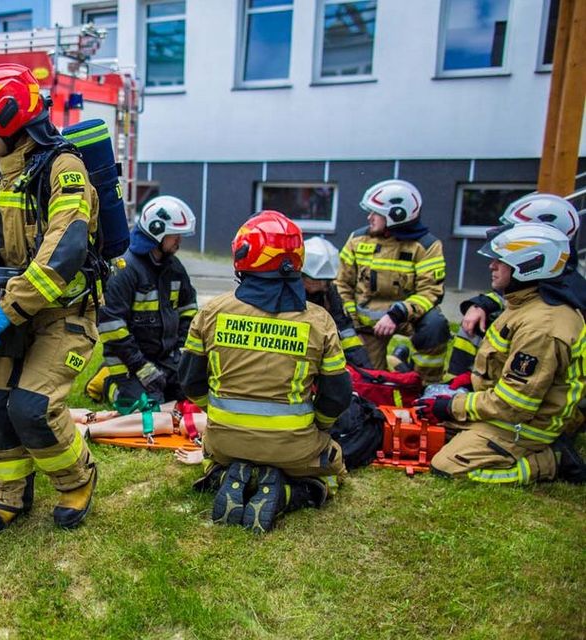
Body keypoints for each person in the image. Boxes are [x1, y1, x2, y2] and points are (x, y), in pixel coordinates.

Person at [0, 63, 100, 532]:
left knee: (31, 408)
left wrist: (9, 307)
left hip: (62, 318)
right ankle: (10, 496)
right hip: (10, 313)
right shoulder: (0, 174)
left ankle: (78, 480)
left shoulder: (63, 168)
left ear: (11, 124)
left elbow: (67, 247)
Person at [179, 211, 352, 533]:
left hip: (224, 441)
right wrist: (319, 428)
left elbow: (189, 380)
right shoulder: (320, 320)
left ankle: (221, 474)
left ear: (243, 255)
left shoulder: (212, 312)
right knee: (332, 469)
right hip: (294, 447)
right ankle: (289, 492)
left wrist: (214, 412)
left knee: (215, 453)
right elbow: (337, 396)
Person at [420, 223, 586, 485]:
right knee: (428, 429)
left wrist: (453, 406)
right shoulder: (524, 302)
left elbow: (515, 405)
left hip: (528, 427)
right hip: (505, 412)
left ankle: (551, 461)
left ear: (527, 265)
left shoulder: (542, 327)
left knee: (448, 465)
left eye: (500, 261)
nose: (491, 266)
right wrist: (466, 384)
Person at [446, 193, 584, 380]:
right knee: (474, 323)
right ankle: (455, 384)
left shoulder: (565, 289)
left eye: (513, 229)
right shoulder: (546, 271)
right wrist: (482, 304)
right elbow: (512, 297)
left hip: (532, 383)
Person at [335, 179, 450, 382]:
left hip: (406, 319)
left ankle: (426, 383)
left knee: (435, 325)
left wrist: (398, 313)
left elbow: (431, 292)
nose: (369, 217)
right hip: (365, 324)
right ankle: (398, 361)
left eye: (375, 213)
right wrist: (351, 322)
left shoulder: (426, 246)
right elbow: (342, 284)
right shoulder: (357, 240)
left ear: (397, 214)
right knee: (371, 378)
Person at [91, 195, 198, 408]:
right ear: (157, 232)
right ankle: (109, 383)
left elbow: (189, 311)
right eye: (175, 235)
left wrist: (181, 351)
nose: (179, 241)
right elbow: (112, 325)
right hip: (128, 363)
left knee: (192, 395)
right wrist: (140, 366)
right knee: (147, 405)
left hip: (167, 359)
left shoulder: (175, 269)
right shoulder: (125, 269)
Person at [301, 236, 372, 370]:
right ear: (301, 274)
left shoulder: (329, 292)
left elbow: (345, 330)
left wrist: (364, 367)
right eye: (319, 281)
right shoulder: (287, 295)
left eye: (327, 281)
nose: (324, 286)